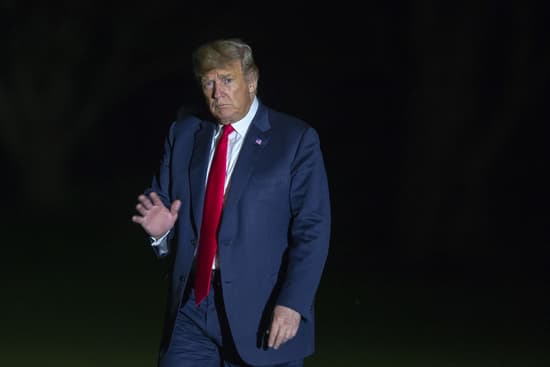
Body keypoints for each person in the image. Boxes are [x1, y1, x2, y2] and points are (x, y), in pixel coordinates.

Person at [131, 37, 331, 367]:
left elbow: (313, 229)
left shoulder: (294, 140)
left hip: (263, 311)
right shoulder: (184, 133)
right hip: (193, 307)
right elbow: (163, 206)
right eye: (208, 82)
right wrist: (162, 233)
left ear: (251, 81)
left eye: (227, 80)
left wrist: (293, 302)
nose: (216, 92)